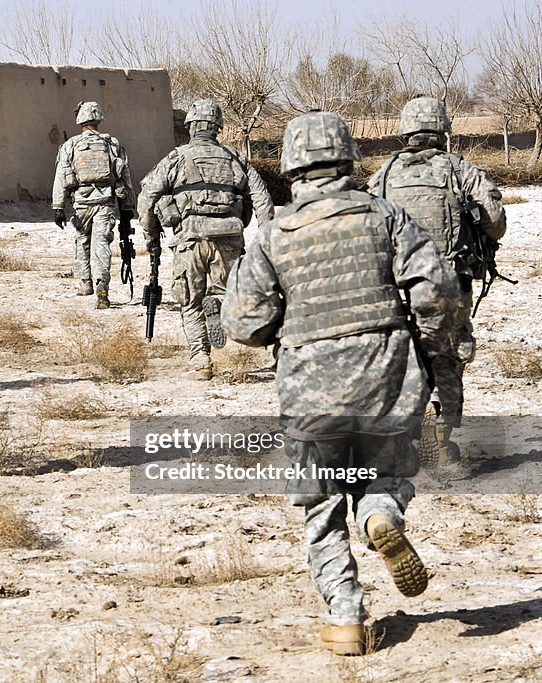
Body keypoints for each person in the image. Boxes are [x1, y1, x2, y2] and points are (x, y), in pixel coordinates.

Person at [223, 111, 458, 656]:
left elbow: (243, 325)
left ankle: (346, 615)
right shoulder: (388, 217)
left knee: (321, 501)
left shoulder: (274, 233)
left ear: (292, 167)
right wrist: (421, 343)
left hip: (308, 384)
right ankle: (381, 512)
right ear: (349, 159)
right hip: (387, 371)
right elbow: (437, 292)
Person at [367, 96, 507, 465]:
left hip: (397, 286)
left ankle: (399, 441)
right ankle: (442, 445)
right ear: (442, 130)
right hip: (447, 283)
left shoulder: (384, 175)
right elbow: (495, 218)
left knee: (399, 357)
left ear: (405, 132)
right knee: (448, 356)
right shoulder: (459, 169)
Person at [137, 99, 274, 379]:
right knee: (226, 292)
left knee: (189, 300)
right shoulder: (236, 158)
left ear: (190, 127)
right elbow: (262, 198)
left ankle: (200, 360)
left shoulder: (175, 158)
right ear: (218, 127)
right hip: (229, 238)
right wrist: (266, 237)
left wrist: (151, 235)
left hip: (190, 238)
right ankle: (218, 309)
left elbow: (147, 197)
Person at [51, 101, 134, 309]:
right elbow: (125, 177)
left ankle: (85, 283)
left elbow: (61, 177)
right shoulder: (112, 144)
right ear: (98, 118)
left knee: (82, 242)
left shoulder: (70, 145)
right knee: (101, 245)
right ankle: (102, 285)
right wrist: (127, 209)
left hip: (81, 203)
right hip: (105, 203)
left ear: (80, 120)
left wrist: (58, 207)